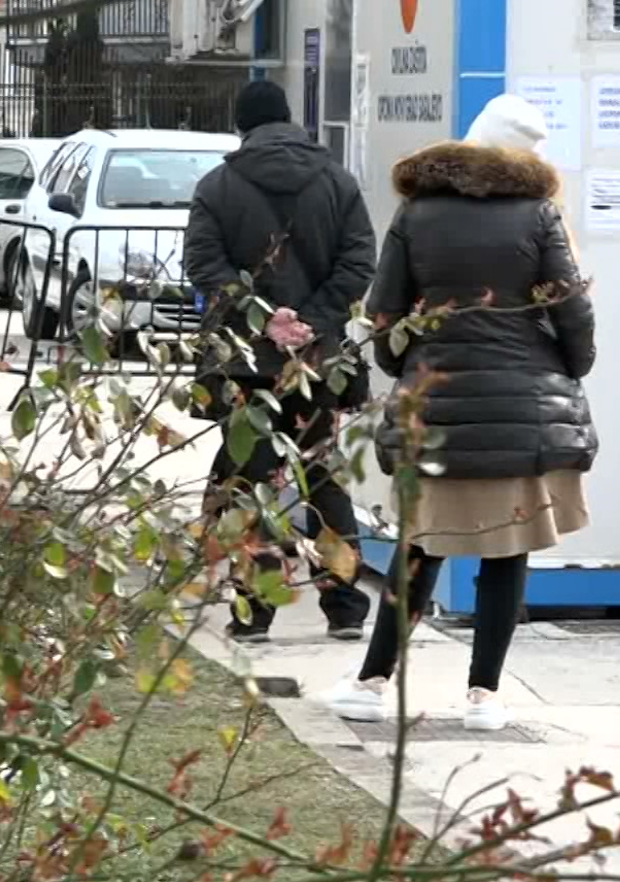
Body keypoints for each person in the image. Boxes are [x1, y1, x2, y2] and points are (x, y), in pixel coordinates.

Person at [322, 95, 596, 732]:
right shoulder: (539, 213)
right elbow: (571, 307)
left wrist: (405, 367)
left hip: (436, 405)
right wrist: (571, 366)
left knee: (419, 545)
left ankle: (371, 681)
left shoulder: (417, 213)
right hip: (522, 402)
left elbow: (384, 311)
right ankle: (483, 697)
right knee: (509, 548)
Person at [184, 79, 377, 643]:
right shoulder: (338, 182)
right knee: (321, 474)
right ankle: (344, 607)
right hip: (319, 361)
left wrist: (263, 319)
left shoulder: (217, 187)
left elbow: (203, 263)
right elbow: (359, 260)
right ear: (290, 120)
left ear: (241, 126)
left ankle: (255, 613)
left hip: (246, 361)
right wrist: (313, 320)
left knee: (251, 480)